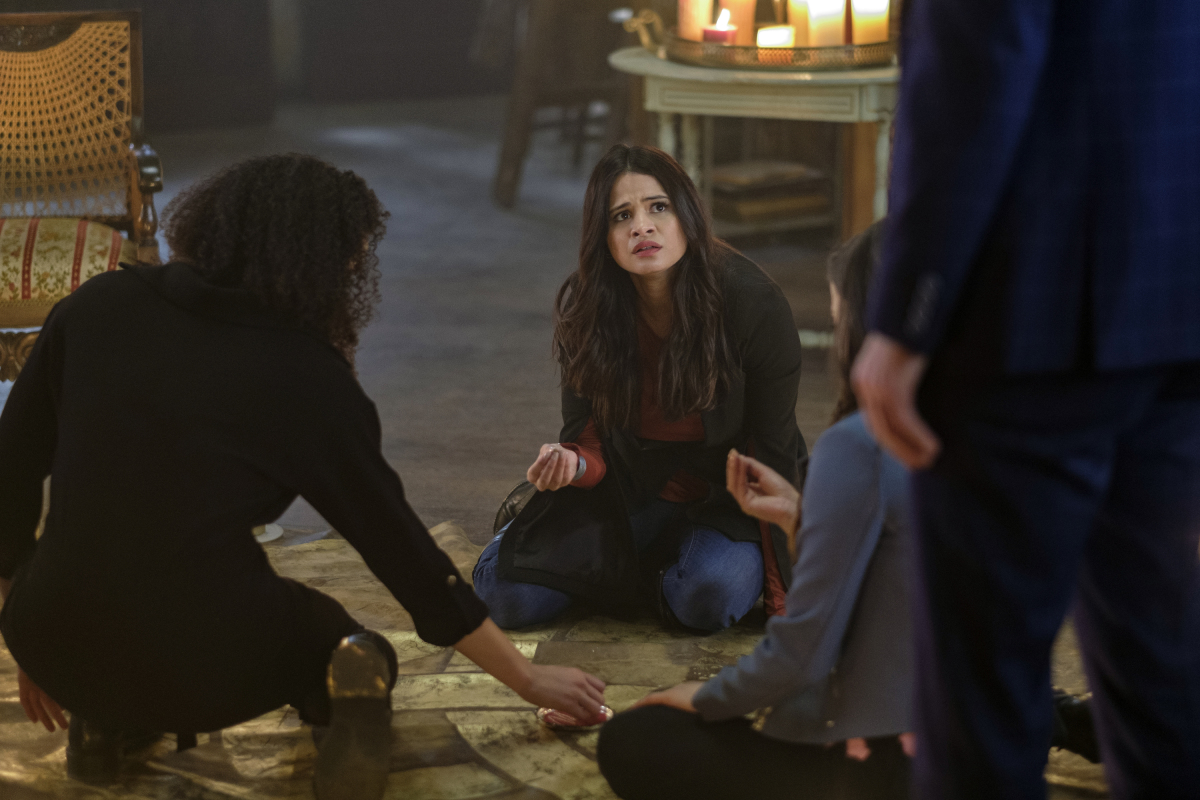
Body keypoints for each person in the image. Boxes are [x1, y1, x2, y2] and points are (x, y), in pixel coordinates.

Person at [0, 154, 605, 800]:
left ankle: (103, 719)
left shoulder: (96, 304)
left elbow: (10, 465)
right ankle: (338, 714)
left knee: (113, 595)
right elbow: (405, 556)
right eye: (351, 263)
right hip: (204, 667)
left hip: (55, 638)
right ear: (318, 266)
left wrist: (30, 629)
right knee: (349, 646)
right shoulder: (308, 378)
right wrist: (527, 679)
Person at [850, 1, 1200, 797]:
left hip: (1035, 307)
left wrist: (907, 317)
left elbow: (978, 64)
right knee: (1160, 675)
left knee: (984, 710)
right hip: (1175, 285)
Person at [596, 221, 913, 800]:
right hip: (977, 737)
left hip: (885, 763)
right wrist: (801, 519)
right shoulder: (994, 434)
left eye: (841, 321)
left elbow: (804, 655)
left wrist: (703, 696)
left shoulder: (861, 444)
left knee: (636, 738)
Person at [472, 144, 806, 632]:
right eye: (621, 216)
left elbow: (772, 456)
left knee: (707, 599)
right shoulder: (591, 305)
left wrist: (784, 606)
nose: (642, 227)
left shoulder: (754, 303)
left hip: (725, 500)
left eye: (658, 207)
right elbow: (587, 442)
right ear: (602, 236)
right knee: (505, 599)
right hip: (627, 492)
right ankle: (582, 545)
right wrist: (570, 464)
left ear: (687, 216)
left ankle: (621, 574)